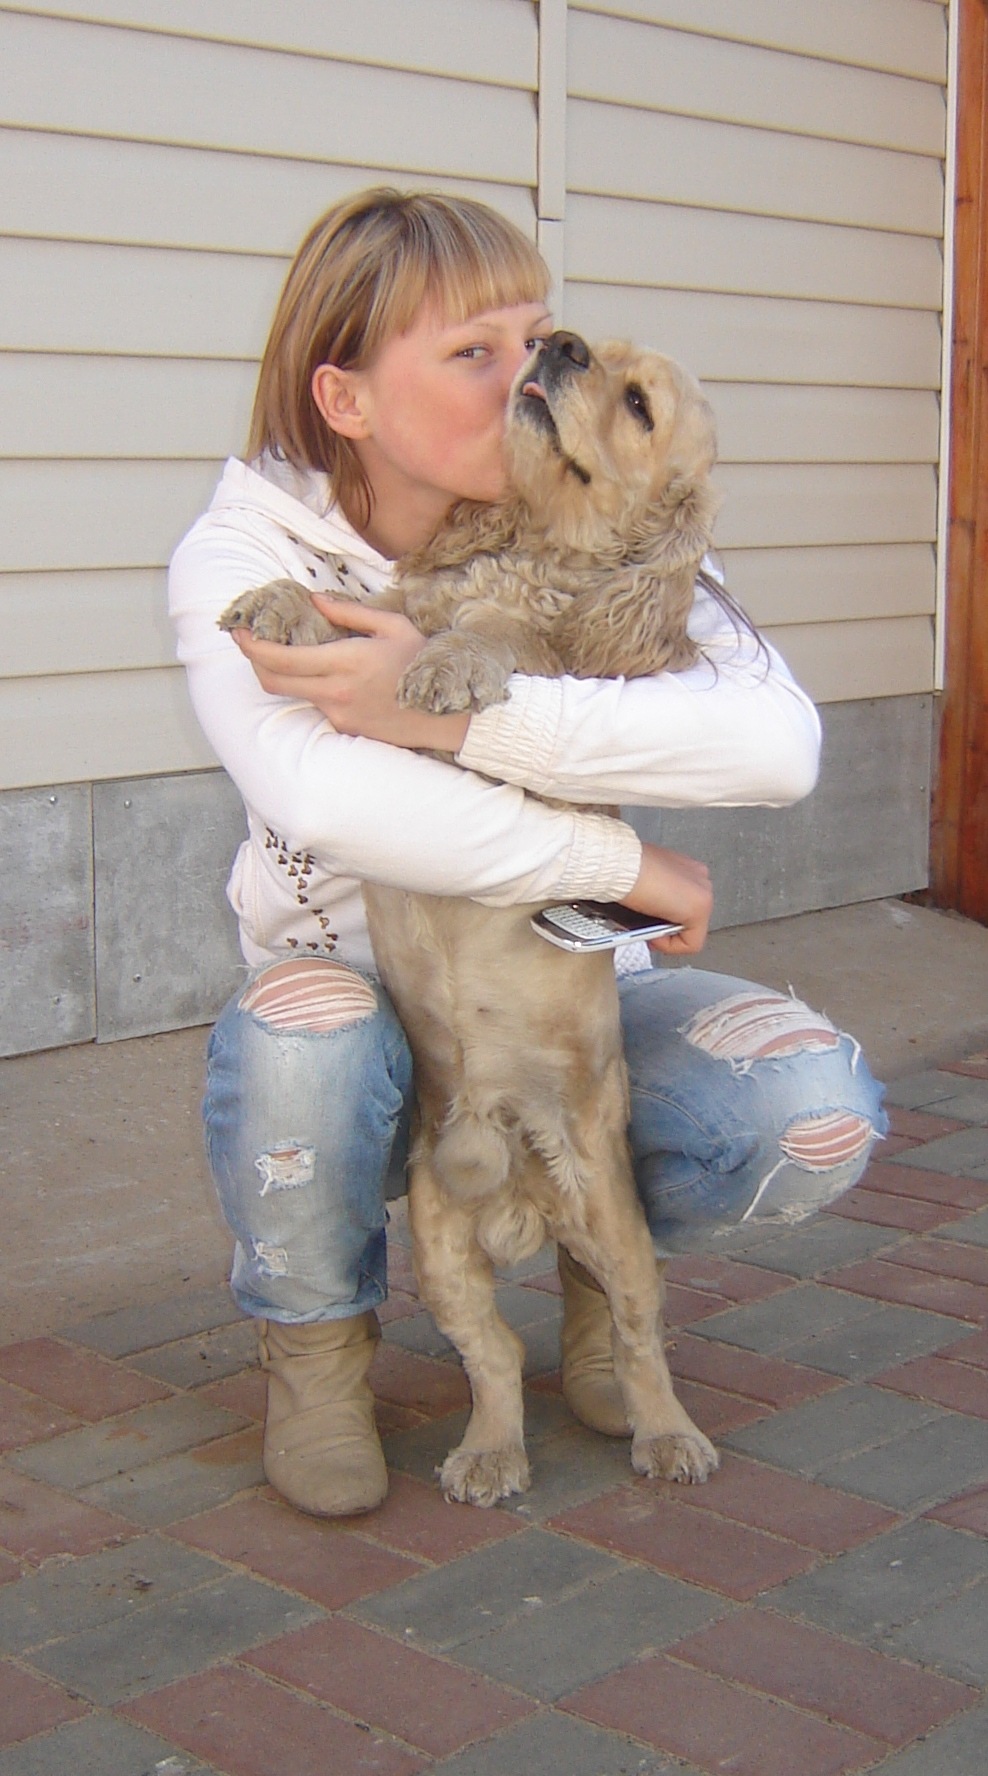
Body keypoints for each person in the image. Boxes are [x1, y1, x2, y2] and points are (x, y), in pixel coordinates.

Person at [169, 187, 887, 1519]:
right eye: (472, 351)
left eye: (536, 334)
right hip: (365, 999)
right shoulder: (242, 549)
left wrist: (468, 715)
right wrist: (622, 868)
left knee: (805, 1103)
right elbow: (331, 804)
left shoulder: (590, 514)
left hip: (563, 994)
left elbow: (777, 749)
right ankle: (316, 1354)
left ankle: (607, 1298)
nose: (530, 371)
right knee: (299, 1042)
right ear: (346, 400)